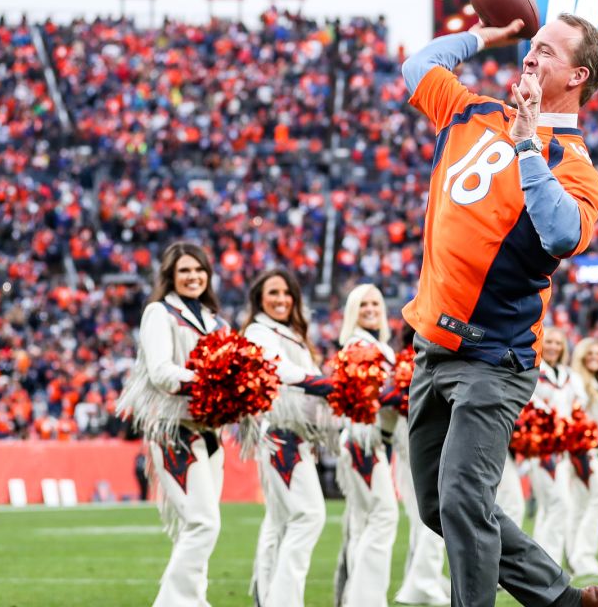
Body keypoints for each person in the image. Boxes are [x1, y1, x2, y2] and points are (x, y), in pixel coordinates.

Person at [400, 13, 598, 607]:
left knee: (465, 502)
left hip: (494, 358)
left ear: (577, 74)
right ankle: (562, 602)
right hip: (431, 348)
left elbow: (562, 233)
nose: (529, 56)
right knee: (439, 507)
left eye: (544, 51)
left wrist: (526, 144)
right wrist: (484, 36)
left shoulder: (575, 164)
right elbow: (418, 68)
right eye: (530, 46)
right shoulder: (475, 111)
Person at [117, 242, 230, 607]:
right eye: (184, 270)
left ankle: (194, 600)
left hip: (211, 435)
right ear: (170, 276)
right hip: (173, 432)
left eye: (199, 270)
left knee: (196, 527)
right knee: (203, 523)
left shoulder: (218, 321)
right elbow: (162, 373)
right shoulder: (159, 313)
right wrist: (213, 381)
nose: (193, 276)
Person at [243, 269, 333, 607]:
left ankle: (266, 596)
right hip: (280, 434)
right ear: (259, 299)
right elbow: (276, 368)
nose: (281, 299)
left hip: (295, 435)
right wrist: (323, 382)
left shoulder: (292, 333)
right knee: (309, 516)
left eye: (286, 293)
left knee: (279, 523)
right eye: (273, 293)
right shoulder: (257, 330)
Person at [333, 285, 400, 607]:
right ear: (352, 311)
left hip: (371, 442)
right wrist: (403, 391)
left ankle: (352, 598)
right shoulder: (359, 344)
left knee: (362, 524)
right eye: (363, 305)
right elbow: (366, 396)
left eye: (375, 303)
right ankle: (366, 600)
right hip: (364, 441)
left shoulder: (377, 345)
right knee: (384, 515)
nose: (370, 309)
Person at [393, 327, 452, 607]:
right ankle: (422, 583)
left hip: (415, 449)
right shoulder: (413, 362)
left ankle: (422, 577)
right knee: (432, 516)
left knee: (425, 520)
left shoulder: (415, 361)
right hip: (415, 450)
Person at [566, 338, 598, 577]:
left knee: (581, 506)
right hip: (583, 451)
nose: (595, 357)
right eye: (590, 353)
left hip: (595, 449)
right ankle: (583, 555)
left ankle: (575, 556)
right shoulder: (577, 381)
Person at [530, 328, 574, 569]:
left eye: (559, 343)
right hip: (541, 449)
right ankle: (550, 565)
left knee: (549, 508)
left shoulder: (567, 375)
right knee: (558, 505)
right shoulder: (533, 370)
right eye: (550, 342)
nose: (554, 346)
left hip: (563, 450)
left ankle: (539, 565)